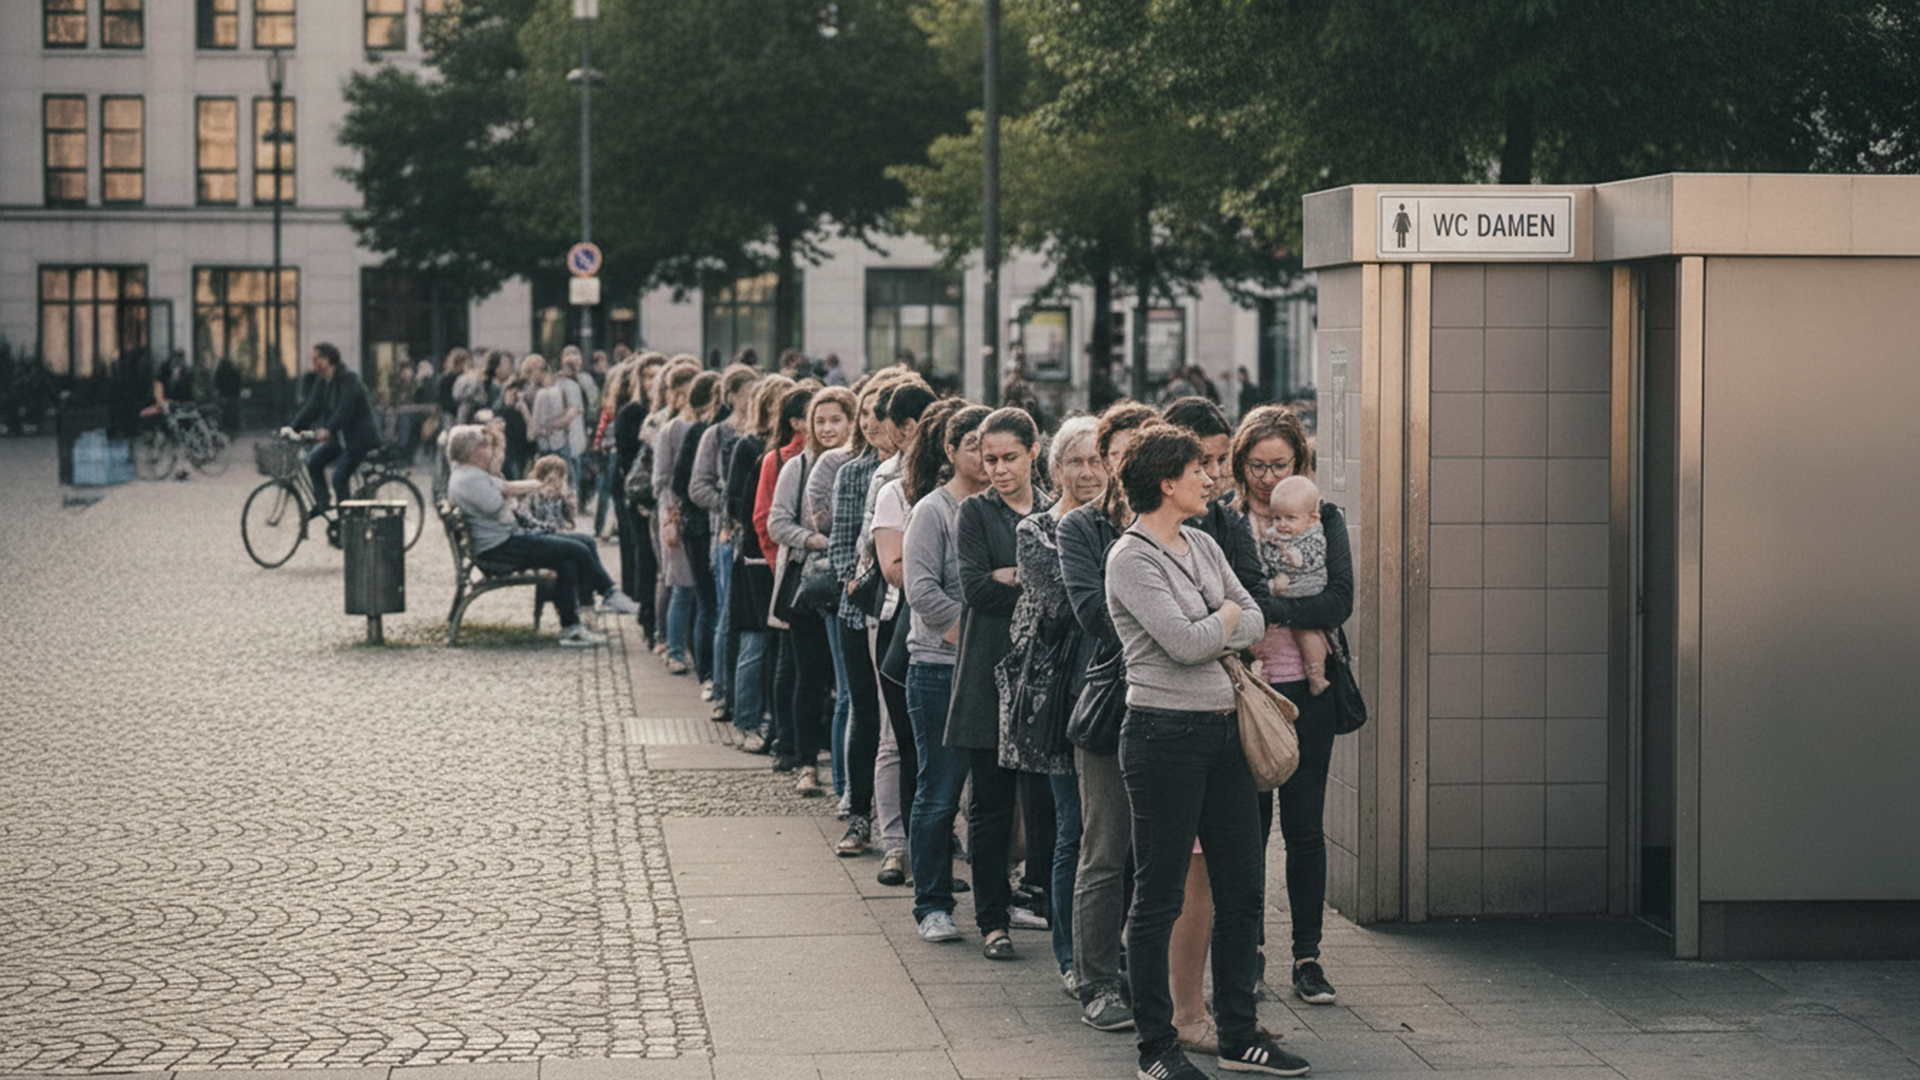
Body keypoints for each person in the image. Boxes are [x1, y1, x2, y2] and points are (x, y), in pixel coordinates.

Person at [1105, 422, 1308, 1080]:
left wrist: (1217, 622)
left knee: (1243, 890)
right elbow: (1189, 642)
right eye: (1198, 470)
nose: (1210, 478)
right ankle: (1155, 1048)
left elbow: (1255, 618)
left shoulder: (1202, 542)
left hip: (1225, 731)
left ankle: (1240, 1034)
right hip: (1162, 737)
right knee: (1159, 896)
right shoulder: (1131, 558)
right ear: (1167, 481)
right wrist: (1220, 622)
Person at [1230, 404, 1353, 1010]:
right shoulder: (1224, 522)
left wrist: (1270, 611)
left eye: (1279, 465)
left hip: (1310, 694)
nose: (1267, 478)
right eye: (1256, 465)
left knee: (1304, 828)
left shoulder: (1324, 518)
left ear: (1299, 462)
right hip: (1247, 695)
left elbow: (1337, 602)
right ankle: (1247, 953)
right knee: (1248, 832)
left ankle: (1308, 957)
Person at [1057, 401, 1158, 1033]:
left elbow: (1241, 601)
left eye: (1125, 454)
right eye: (1106, 455)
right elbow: (1097, 616)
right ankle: (1096, 978)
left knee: (1162, 857)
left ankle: (1151, 973)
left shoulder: (1189, 525)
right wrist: (1183, 628)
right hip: (1110, 705)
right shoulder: (1082, 529)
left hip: (1179, 708)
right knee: (1103, 848)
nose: (1113, 466)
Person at [999, 413, 1102, 987]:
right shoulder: (1036, 531)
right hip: (1060, 699)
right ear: (1054, 467)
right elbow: (1068, 603)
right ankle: (1069, 954)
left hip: (1114, 692)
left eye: (1096, 460)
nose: (1087, 473)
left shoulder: (1124, 524)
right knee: (1073, 828)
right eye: (1075, 462)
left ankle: (1106, 949)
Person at [950, 407, 1054, 961]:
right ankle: (992, 920)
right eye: (989, 459)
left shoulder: (1055, 510)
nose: (997, 469)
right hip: (988, 672)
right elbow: (974, 589)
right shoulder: (975, 512)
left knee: (1045, 806)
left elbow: (1068, 589)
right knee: (988, 805)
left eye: (1009, 458)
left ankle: (1046, 906)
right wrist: (1035, 585)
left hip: (1044, 678)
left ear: (1034, 453)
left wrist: (1016, 576)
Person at [902, 403, 992, 945]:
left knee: (992, 798)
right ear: (952, 450)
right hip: (940, 669)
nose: (986, 457)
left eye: (996, 448)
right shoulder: (933, 511)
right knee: (938, 791)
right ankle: (931, 901)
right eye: (976, 445)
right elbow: (923, 592)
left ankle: (996, 904)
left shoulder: (1002, 508)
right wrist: (975, 639)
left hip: (995, 671)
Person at [444, 425, 640, 647]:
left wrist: (525, 488)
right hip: (502, 549)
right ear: (473, 450)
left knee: (577, 548)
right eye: (485, 445)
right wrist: (509, 497)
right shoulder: (469, 479)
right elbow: (496, 504)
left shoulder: (472, 475)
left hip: (508, 541)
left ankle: (575, 625)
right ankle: (604, 596)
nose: (489, 449)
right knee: (579, 550)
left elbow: (506, 488)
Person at [768, 386, 856, 796]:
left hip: (848, 585)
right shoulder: (797, 467)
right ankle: (806, 762)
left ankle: (842, 764)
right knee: (809, 675)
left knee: (848, 683)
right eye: (820, 421)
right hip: (808, 581)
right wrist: (815, 540)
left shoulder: (857, 464)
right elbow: (776, 523)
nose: (827, 428)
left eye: (835, 420)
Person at [690, 366, 764, 726]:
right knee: (724, 616)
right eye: (748, 395)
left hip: (752, 537)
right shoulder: (716, 436)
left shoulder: (762, 434)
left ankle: (739, 694)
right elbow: (697, 487)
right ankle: (721, 689)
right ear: (732, 396)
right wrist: (731, 501)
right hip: (726, 534)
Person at [727, 374, 795, 751]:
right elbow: (741, 505)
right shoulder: (751, 448)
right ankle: (747, 721)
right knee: (754, 643)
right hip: (757, 558)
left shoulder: (792, 452)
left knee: (778, 647)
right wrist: (765, 553)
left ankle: (771, 721)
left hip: (779, 560)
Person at [754, 382, 817, 767]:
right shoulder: (780, 461)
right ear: (798, 422)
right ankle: (787, 741)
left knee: (804, 666)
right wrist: (784, 563)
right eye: (816, 417)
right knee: (789, 662)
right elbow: (765, 520)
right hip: (790, 571)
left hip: (820, 579)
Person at [1255, 474, 1330, 695]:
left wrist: (1285, 555)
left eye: (1290, 518)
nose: (1282, 525)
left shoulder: (1314, 537)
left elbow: (1302, 562)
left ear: (1312, 519)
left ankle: (1316, 673)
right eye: (1276, 518)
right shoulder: (1276, 534)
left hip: (1307, 586)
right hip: (1286, 588)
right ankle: (1262, 667)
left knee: (1306, 630)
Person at [287, 342, 379, 519]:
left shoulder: (349, 379)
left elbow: (344, 410)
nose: (313, 365)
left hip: (358, 439)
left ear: (328, 359)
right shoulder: (323, 382)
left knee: (339, 477)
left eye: (316, 360)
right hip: (340, 439)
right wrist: (293, 428)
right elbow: (312, 407)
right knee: (313, 461)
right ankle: (323, 503)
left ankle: (348, 523)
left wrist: (328, 429)